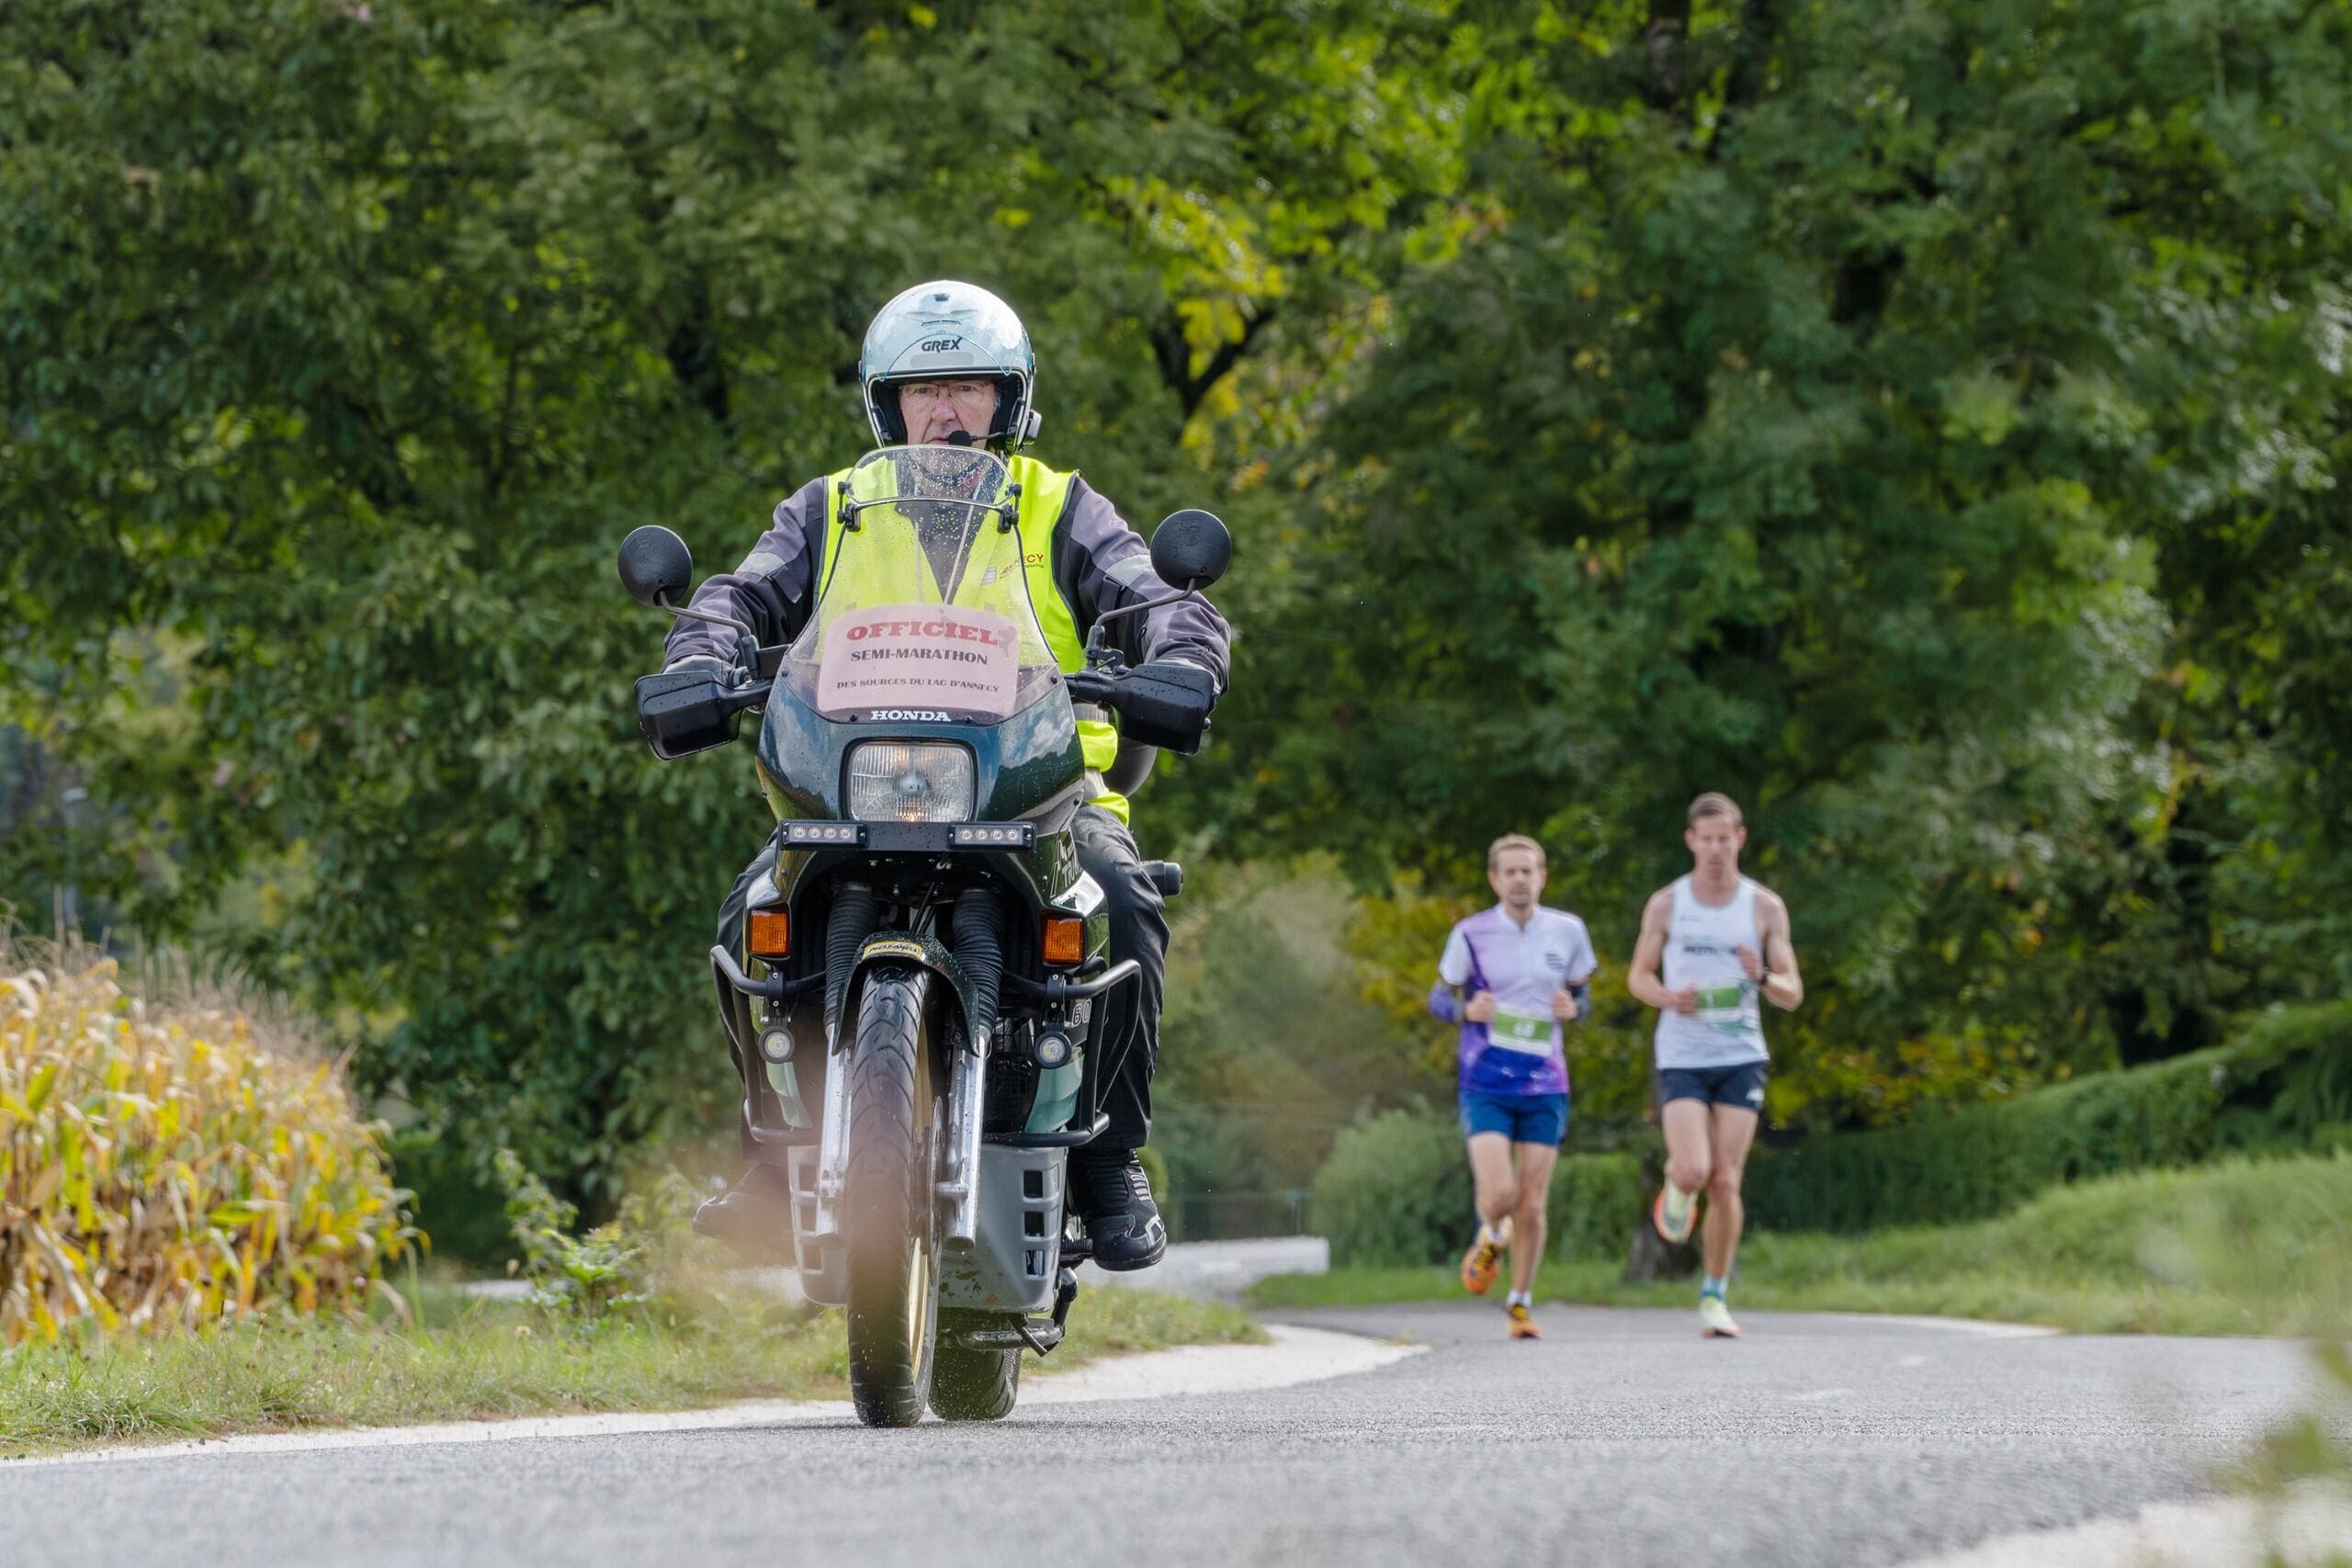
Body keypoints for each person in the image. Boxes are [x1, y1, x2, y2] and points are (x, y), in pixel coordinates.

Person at [667, 280, 1231, 1271]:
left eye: (969, 387)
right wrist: (699, 658)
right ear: (886, 406)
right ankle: (769, 1148)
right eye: (923, 391)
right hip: (855, 783)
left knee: (1127, 904)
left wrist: (1182, 653)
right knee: (745, 912)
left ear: (1008, 401)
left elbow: (1151, 596)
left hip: (1040, 790)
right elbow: (741, 595)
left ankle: (1110, 1161)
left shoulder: (1060, 506)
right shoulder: (829, 511)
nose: (945, 411)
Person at [1625, 793, 1804, 1337]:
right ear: (1691, 842)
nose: (1717, 849)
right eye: (1707, 840)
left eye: (1726, 839)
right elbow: (1638, 976)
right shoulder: (1666, 904)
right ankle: (1678, 1188)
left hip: (1741, 1054)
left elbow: (1792, 992)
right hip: (1681, 1054)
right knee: (1696, 1169)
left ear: (1740, 839)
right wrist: (1667, 998)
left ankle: (1714, 1294)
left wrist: (1762, 978)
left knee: (1727, 1182)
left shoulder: (1764, 907)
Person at [1427, 834, 1597, 1339]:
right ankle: (1491, 1233)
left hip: (1547, 1081)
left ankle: (1520, 1302)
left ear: (1542, 876)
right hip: (1486, 1080)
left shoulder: (1568, 931)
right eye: (1511, 871)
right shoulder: (1471, 933)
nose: (1521, 879)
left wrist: (1576, 1008)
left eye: (1529, 870)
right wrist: (1464, 1011)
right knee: (1501, 1194)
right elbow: (1438, 998)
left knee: (1534, 1201)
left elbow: (1583, 996)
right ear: (1495, 879)